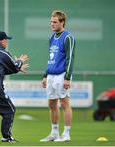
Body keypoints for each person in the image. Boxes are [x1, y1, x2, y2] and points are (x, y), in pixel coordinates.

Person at [40, 10, 75, 142]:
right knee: (51, 104)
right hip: (51, 75)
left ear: (62, 22)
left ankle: (66, 134)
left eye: (55, 22)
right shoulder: (51, 37)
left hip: (62, 75)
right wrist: (45, 75)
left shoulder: (68, 37)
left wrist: (67, 77)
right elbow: (50, 58)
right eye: (51, 22)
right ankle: (54, 133)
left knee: (65, 103)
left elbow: (70, 58)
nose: (52, 24)